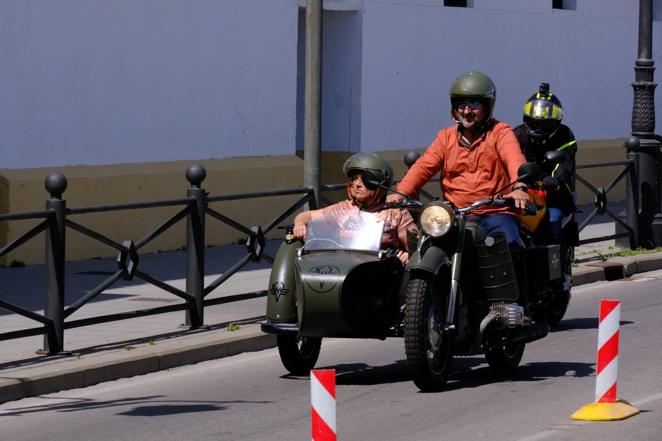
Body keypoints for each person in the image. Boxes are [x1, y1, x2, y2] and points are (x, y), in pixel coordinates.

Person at [387, 71, 531, 309]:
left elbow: (514, 158)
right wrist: (401, 192)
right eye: (461, 104)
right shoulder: (445, 137)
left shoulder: (500, 132)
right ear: (454, 108)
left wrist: (519, 186)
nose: (467, 110)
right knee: (424, 245)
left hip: (495, 212)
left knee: (511, 244)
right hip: (456, 215)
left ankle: (518, 308)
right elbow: (424, 165)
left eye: (474, 103)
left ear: (487, 107)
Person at [293, 152, 418, 264]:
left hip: (382, 274)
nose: (357, 184)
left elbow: (416, 248)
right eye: (353, 179)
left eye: (365, 180)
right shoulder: (343, 208)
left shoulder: (395, 212)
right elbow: (306, 216)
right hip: (344, 270)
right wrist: (299, 224)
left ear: (380, 184)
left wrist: (408, 255)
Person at [513, 82, 577, 294]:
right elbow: (505, 158)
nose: (538, 127)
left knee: (553, 221)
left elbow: (565, 165)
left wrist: (554, 179)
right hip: (521, 192)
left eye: (544, 123)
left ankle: (556, 277)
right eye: (534, 122)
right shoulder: (517, 134)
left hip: (554, 194)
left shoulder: (565, 136)